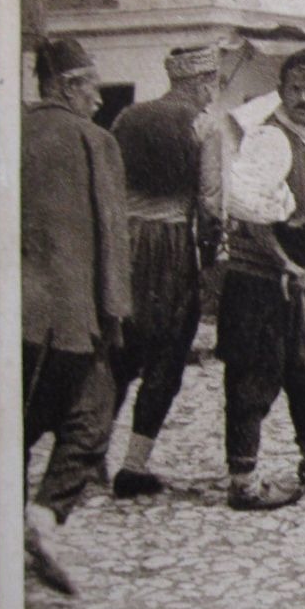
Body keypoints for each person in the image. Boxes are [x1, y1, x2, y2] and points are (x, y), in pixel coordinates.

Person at [215, 47, 305, 511]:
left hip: (294, 282)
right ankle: (244, 481)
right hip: (260, 280)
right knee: (256, 375)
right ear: (280, 90)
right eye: (294, 88)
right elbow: (247, 208)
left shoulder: (303, 139)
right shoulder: (270, 139)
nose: (301, 97)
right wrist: (283, 262)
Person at [21, 38, 131, 594]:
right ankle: (42, 520)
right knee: (92, 414)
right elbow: (112, 239)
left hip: (5, 316)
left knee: (13, 424)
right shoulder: (95, 141)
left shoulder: (6, 127)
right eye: (91, 87)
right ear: (68, 86)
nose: (96, 98)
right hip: (66, 318)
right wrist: (115, 319)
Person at [107, 45, 219, 499]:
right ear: (199, 81)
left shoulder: (127, 118)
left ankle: (90, 454)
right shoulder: (204, 127)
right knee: (166, 358)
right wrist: (209, 259)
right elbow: (210, 202)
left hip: (124, 244)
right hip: (171, 247)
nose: (213, 92)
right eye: (212, 82)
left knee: (117, 356)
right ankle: (133, 466)